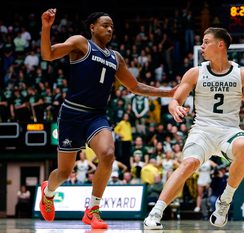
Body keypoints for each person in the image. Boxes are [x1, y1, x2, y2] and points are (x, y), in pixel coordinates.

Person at [143, 27, 244, 230]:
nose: (202, 46)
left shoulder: (242, 75)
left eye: (206, 42)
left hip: (228, 131)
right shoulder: (195, 72)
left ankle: (224, 202)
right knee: (189, 164)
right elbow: (175, 100)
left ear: (220, 45)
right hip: (202, 130)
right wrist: (175, 108)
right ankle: (155, 213)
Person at [39, 8, 176, 229]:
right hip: (72, 114)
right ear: (92, 27)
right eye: (105, 24)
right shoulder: (81, 43)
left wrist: (168, 92)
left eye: (112, 26)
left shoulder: (116, 58)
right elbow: (48, 54)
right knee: (64, 173)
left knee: (108, 154)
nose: (110, 28)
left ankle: (92, 209)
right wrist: (46, 28)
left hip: (96, 116)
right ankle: (48, 192)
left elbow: (135, 86)